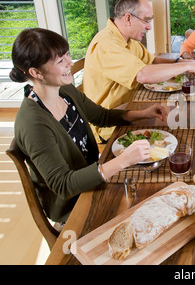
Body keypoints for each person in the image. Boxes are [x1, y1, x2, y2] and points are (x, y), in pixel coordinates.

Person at [10, 28, 168, 224]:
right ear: (35, 72)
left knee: (163, 193)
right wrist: (124, 160)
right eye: (60, 61)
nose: (70, 62)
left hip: (97, 177)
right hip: (77, 205)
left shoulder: (64, 90)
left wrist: (143, 114)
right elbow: (63, 185)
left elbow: (101, 116)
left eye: (67, 54)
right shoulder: (33, 123)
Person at [83, 0, 195, 143]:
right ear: (128, 18)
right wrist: (186, 65)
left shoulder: (127, 39)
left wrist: (180, 61)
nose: (149, 27)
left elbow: (152, 61)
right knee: (180, 129)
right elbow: (144, 75)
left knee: (181, 119)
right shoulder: (108, 46)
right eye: (146, 20)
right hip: (111, 125)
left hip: (132, 107)